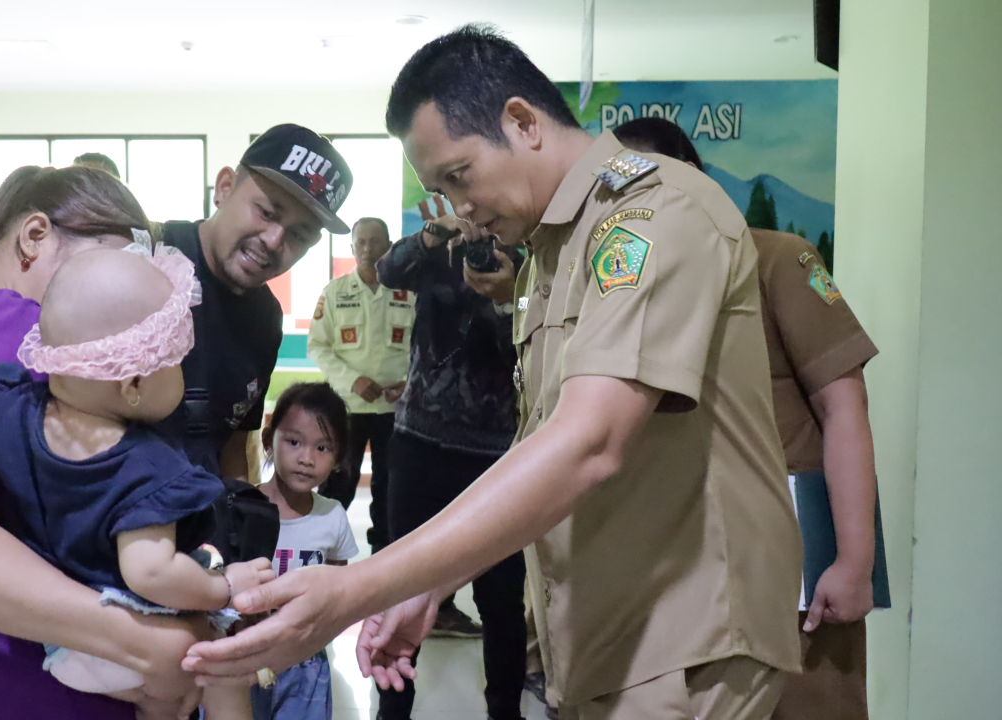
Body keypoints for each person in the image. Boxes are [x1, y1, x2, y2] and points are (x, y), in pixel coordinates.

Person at [182, 25, 803, 720]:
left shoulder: (651, 214)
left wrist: (359, 588)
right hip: (605, 631)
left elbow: (589, 442)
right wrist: (428, 583)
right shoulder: (553, 250)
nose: (460, 207)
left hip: (681, 636)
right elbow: (537, 443)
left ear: (522, 122)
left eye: (459, 176)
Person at [0, 165, 207, 720]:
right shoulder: (16, 329)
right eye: (109, 268)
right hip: (25, 694)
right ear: (34, 236)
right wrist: (147, 643)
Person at [0, 248, 279, 719]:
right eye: (176, 362)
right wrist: (223, 587)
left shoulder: (9, 413)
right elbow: (150, 573)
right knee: (225, 666)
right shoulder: (148, 469)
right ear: (133, 384)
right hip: (123, 628)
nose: (182, 372)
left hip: (61, 642)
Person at [616, 116, 880, 720]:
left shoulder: (778, 259)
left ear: (690, 178)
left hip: (791, 562)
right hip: (680, 559)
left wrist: (854, 561)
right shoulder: (627, 286)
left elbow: (844, 407)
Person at [371, 210, 527, 720]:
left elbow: (535, 341)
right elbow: (386, 271)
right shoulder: (435, 251)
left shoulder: (524, 261)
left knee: (501, 600)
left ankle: (505, 712)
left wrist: (509, 296)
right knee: (404, 584)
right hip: (419, 443)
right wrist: (434, 233)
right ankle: (393, 711)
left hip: (496, 457)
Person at [152, 124, 354, 481]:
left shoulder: (265, 319)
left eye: (299, 234)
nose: (274, 241)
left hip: (200, 508)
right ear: (225, 187)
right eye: (267, 212)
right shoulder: (145, 257)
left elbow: (234, 442)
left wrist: (240, 504)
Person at [253, 382, 360, 720]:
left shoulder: (332, 516)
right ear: (268, 439)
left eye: (323, 447)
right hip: (248, 653)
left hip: (306, 662)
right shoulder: (243, 508)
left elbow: (338, 588)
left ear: (338, 458)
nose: (306, 459)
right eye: (294, 442)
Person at [307, 217, 410, 551]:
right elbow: (317, 347)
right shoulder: (334, 293)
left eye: (375, 241)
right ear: (352, 247)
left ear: (389, 246)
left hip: (396, 409)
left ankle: (386, 555)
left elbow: (425, 347)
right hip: (347, 408)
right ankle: (320, 549)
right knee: (339, 481)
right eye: (361, 242)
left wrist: (409, 382)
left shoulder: (408, 293)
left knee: (391, 487)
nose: (368, 249)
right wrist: (354, 381)